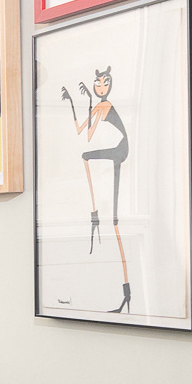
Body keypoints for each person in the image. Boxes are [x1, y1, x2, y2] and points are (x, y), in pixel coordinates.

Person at [60, 66, 133, 315]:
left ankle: (126, 294)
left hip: (120, 148)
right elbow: (84, 130)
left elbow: (89, 133)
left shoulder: (105, 105)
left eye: (105, 83)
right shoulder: (99, 106)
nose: (101, 86)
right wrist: (75, 102)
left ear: (109, 85)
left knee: (115, 221)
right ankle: (95, 216)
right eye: (98, 83)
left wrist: (90, 102)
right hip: (113, 148)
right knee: (85, 156)